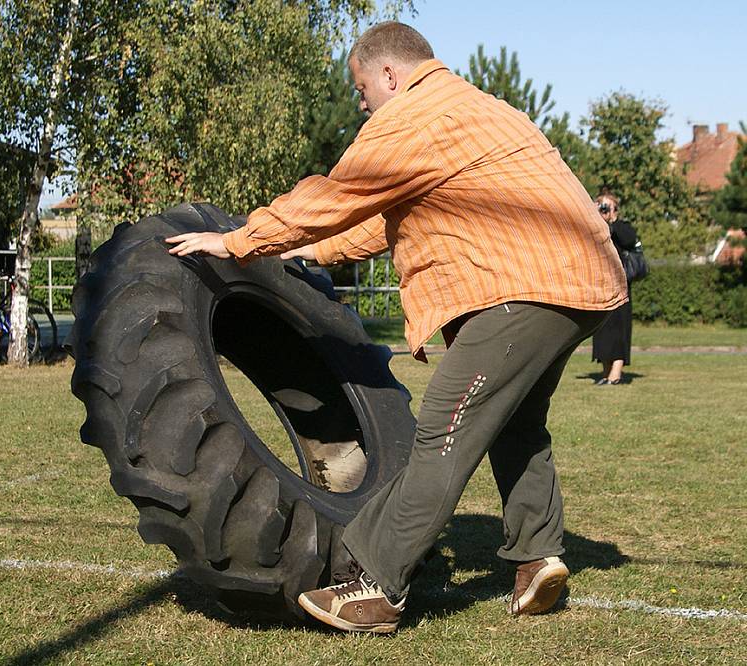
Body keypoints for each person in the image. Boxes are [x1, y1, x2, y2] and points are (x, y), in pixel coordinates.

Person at [166, 22, 627, 633]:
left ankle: (378, 587)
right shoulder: (478, 110)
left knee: (444, 429)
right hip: (584, 280)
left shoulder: (413, 116)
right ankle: (536, 557)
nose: (360, 103)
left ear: (388, 74)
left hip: (523, 288)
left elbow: (335, 195)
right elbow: (383, 223)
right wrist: (307, 254)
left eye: (361, 88)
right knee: (516, 422)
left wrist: (239, 241)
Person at [591, 192, 638, 386]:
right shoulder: (595, 227)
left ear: (616, 209)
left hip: (620, 286)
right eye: (602, 206)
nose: (604, 210)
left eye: (607, 207)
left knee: (619, 329)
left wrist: (613, 220)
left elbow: (629, 240)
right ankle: (605, 372)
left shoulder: (622, 227)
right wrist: (592, 215)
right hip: (600, 285)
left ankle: (615, 374)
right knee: (601, 329)